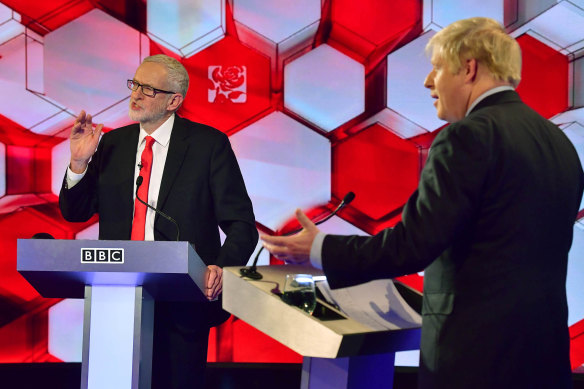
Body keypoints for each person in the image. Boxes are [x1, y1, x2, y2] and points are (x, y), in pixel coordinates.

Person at [262, 17, 583, 388]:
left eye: (437, 68)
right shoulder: (558, 143)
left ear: (469, 68)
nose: (429, 82)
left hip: (474, 363)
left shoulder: (466, 137)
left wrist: (319, 248)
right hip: (544, 359)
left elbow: (412, 246)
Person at [59, 54, 258, 388]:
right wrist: (78, 163)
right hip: (117, 297)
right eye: (134, 84)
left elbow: (242, 225)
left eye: (148, 89)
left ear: (173, 101)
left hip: (182, 301)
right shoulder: (113, 144)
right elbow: (75, 212)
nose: (135, 94)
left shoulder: (208, 145)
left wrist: (221, 268)